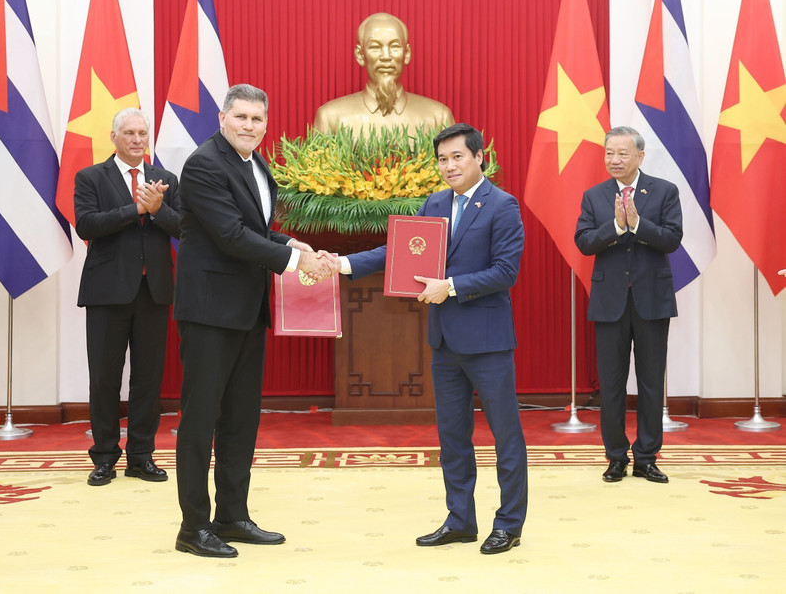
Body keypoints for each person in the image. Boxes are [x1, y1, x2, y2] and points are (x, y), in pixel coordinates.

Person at [334, 123, 527, 555]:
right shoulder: (434, 202)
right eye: (442, 159)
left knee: (505, 436)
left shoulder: (503, 205)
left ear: (480, 157)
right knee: (452, 437)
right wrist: (343, 263)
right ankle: (460, 520)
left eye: (457, 156)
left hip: (489, 342)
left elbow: (505, 271)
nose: (449, 166)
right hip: (444, 342)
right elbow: (399, 253)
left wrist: (451, 286)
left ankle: (509, 524)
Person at [173, 84, 335, 558]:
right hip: (208, 312)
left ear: (266, 124)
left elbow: (255, 229)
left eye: (257, 119)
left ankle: (232, 516)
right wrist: (293, 260)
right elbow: (228, 235)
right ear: (222, 118)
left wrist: (293, 243)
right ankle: (193, 528)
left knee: (241, 419)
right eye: (240, 117)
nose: (249, 126)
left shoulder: (254, 163)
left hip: (246, 309)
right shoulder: (204, 163)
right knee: (200, 420)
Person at [74, 107, 181, 487]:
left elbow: (184, 227)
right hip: (107, 293)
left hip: (153, 292)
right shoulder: (90, 177)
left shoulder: (164, 178)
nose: (138, 139)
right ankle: (104, 457)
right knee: (104, 378)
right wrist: (135, 208)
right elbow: (86, 224)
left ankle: (141, 456)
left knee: (148, 378)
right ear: (114, 137)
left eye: (142, 133)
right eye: (130, 133)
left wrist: (157, 210)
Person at [575, 126, 683, 484]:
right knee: (612, 384)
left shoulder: (665, 191)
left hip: (652, 299)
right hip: (610, 303)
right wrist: (617, 228)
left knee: (651, 382)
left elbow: (671, 240)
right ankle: (617, 457)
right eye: (609, 153)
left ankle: (647, 457)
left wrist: (637, 223)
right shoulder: (594, 196)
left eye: (622, 153)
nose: (614, 160)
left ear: (640, 156)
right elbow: (585, 242)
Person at [312, 12, 454, 137]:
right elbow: (314, 166)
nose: (386, 56)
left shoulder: (438, 118)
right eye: (375, 47)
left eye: (395, 46)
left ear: (407, 54)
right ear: (360, 55)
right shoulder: (330, 118)